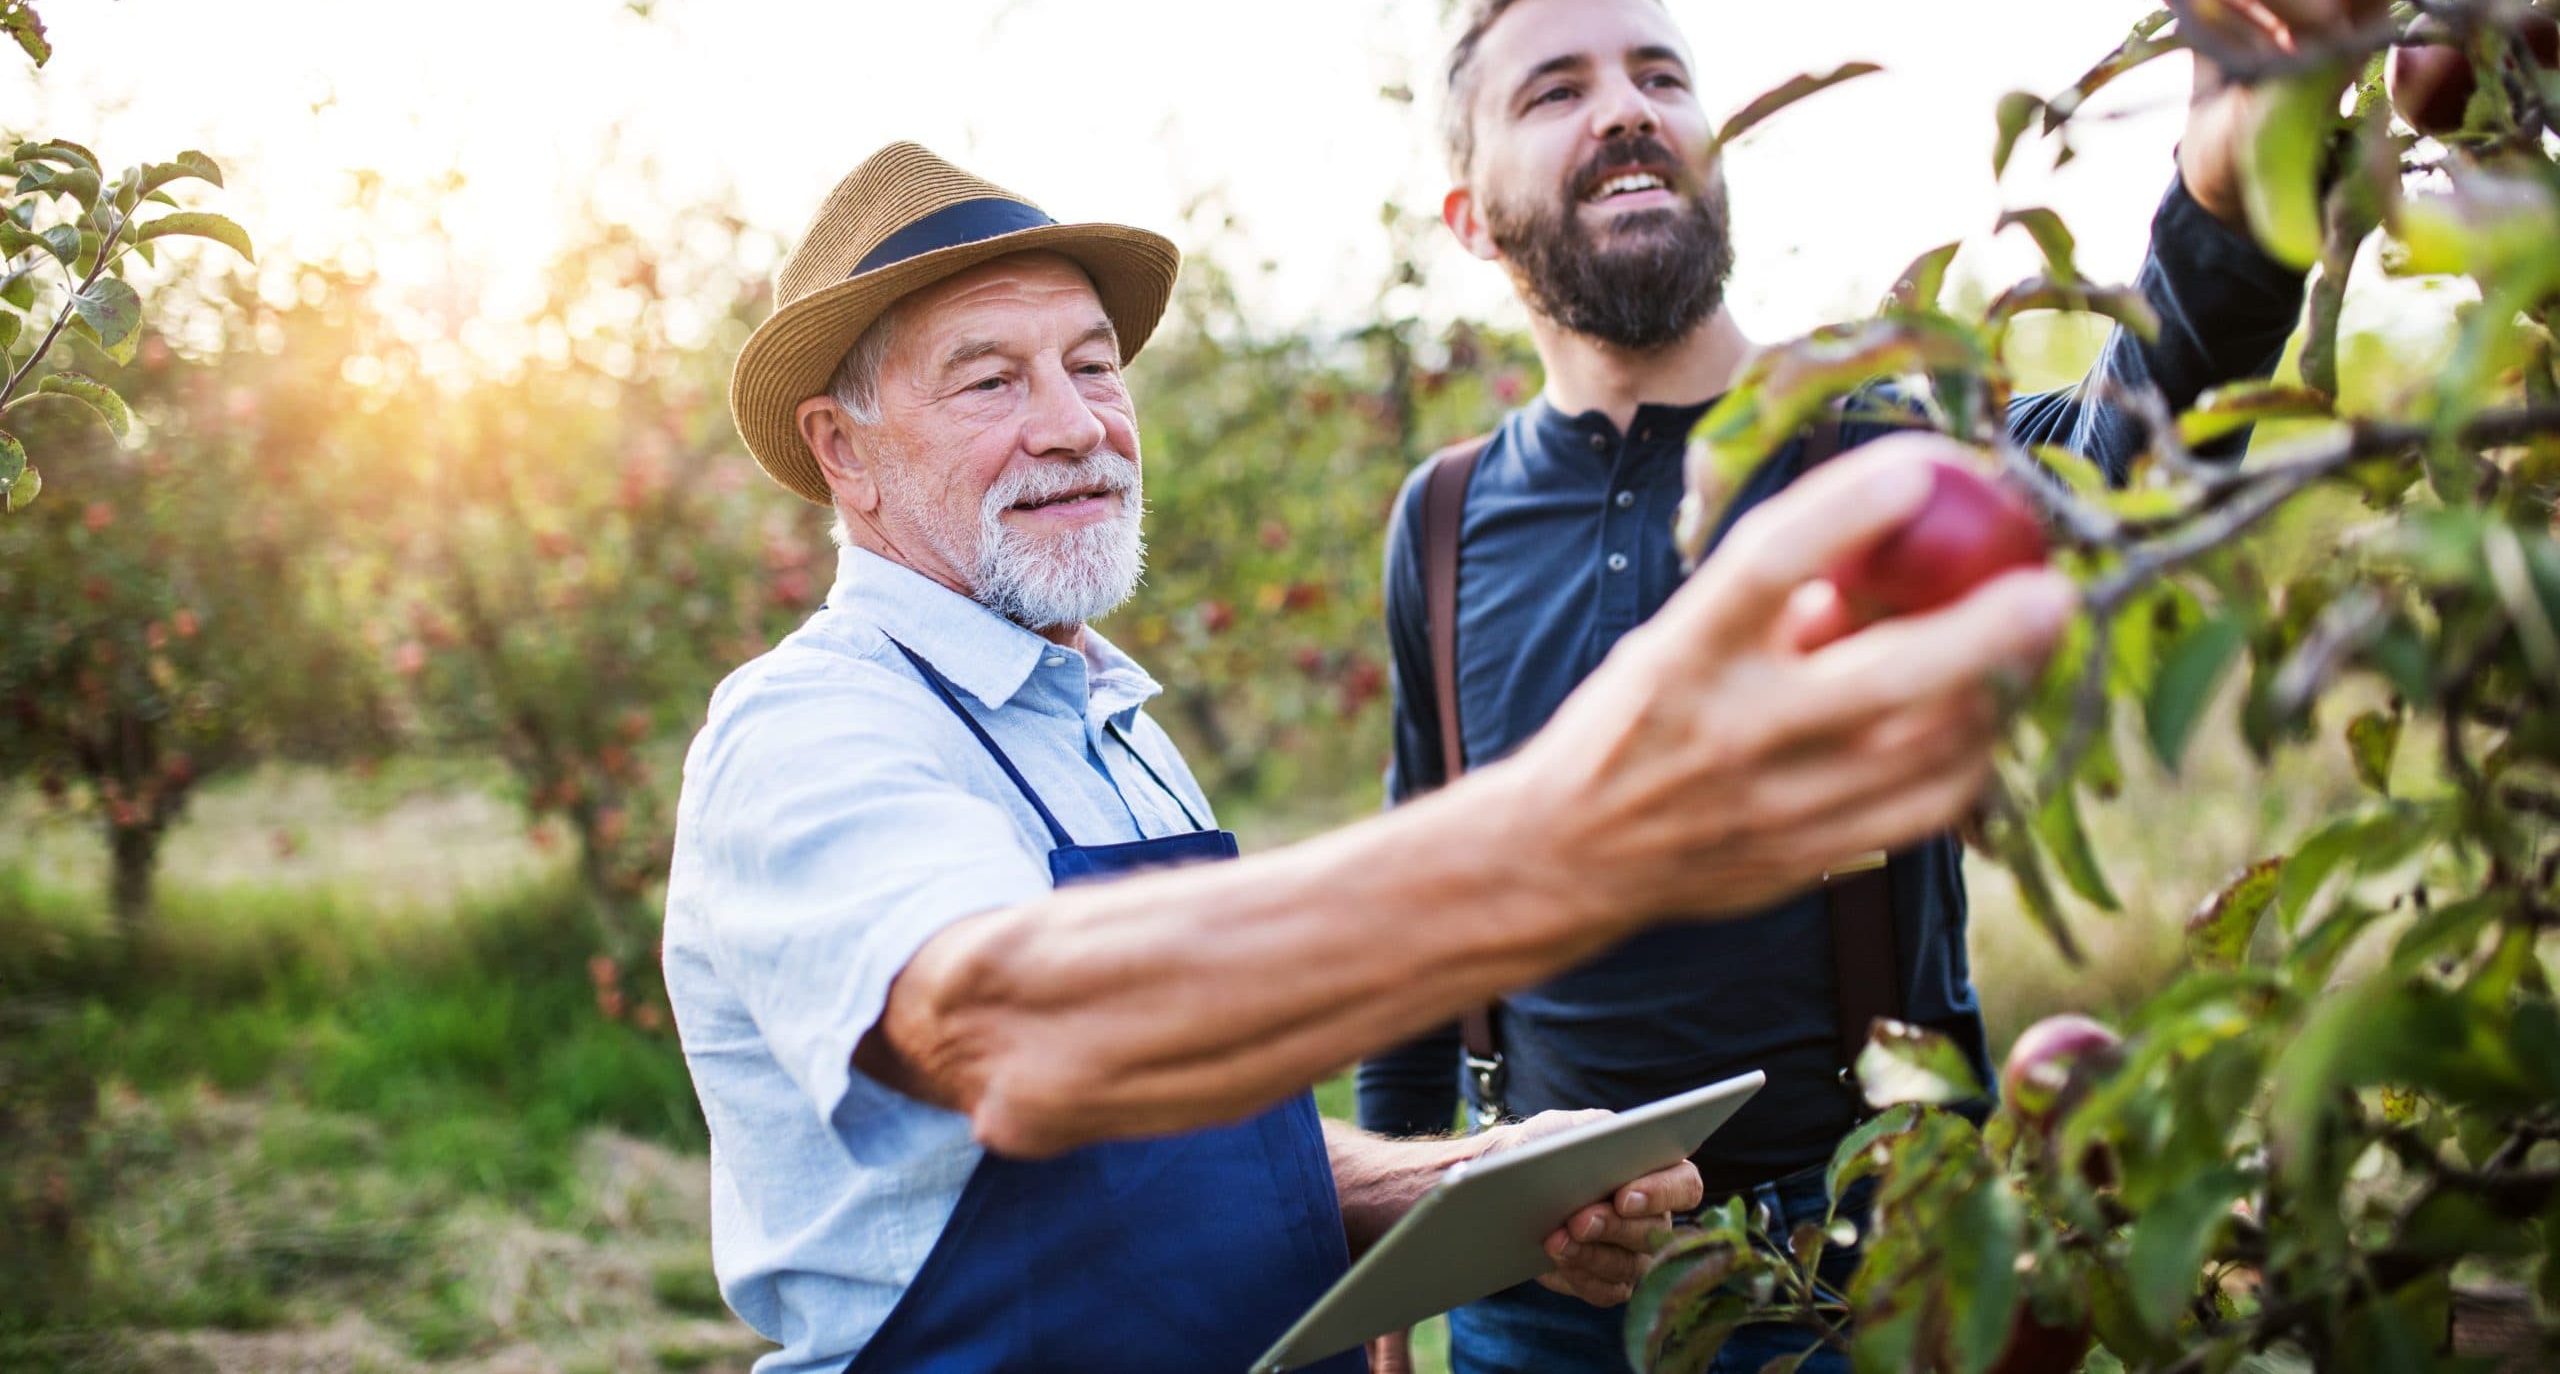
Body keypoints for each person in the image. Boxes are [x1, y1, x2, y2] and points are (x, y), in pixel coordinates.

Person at [662, 140, 2078, 1374]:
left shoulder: (1108, 726)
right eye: (990, 381)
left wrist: (1461, 1179)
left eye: (1094, 366)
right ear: (842, 452)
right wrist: (1565, 837)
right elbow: (1016, 1041)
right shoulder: (813, 732)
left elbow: (1179, 1154)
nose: (1076, 424)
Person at [1357, 0, 2378, 1374]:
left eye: (1660, 75)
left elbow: (2115, 449)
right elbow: (1416, 896)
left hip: (1857, 1258)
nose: (1628, 106)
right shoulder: (1440, 519)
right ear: (1470, 216)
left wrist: (2222, 188)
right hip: (1533, 1276)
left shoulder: (1865, 451)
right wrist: (1398, 1274)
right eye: (1557, 89)